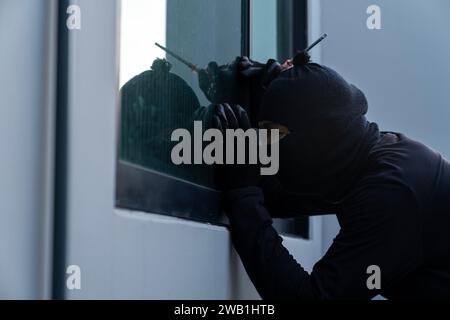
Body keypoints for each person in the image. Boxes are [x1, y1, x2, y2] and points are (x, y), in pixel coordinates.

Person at [200, 51, 450, 299]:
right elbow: (277, 198)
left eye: (272, 134)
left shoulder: (393, 192)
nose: (265, 146)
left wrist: (242, 192)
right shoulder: (359, 160)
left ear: (317, 138)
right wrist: (255, 103)